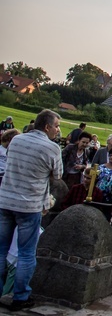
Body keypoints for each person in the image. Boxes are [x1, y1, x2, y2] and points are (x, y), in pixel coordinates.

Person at [0, 109, 62, 311]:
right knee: (26, 253)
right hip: (30, 205)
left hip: (6, 199)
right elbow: (58, 175)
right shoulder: (52, 148)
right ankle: (20, 296)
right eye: (56, 126)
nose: (58, 130)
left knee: (1, 250)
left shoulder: (17, 140)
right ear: (47, 127)